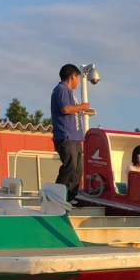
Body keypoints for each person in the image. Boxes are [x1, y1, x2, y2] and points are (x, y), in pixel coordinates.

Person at [51, 63, 90, 203]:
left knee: (78, 168)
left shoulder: (68, 92)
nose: (78, 81)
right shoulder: (61, 89)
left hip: (74, 137)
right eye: (78, 77)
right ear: (73, 76)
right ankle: (55, 197)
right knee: (70, 166)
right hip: (65, 135)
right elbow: (66, 109)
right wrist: (82, 107)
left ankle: (71, 197)